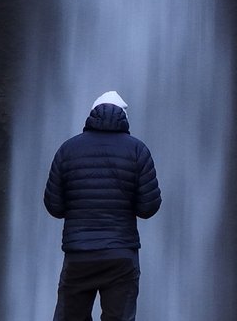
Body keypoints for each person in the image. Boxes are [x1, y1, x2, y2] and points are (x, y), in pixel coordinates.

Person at [42, 90, 161, 321]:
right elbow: (148, 208)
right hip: (121, 255)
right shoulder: (138, 150)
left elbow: (54, 206)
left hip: (79, 256)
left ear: (92, 115)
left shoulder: (68, 150)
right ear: (124, 117)